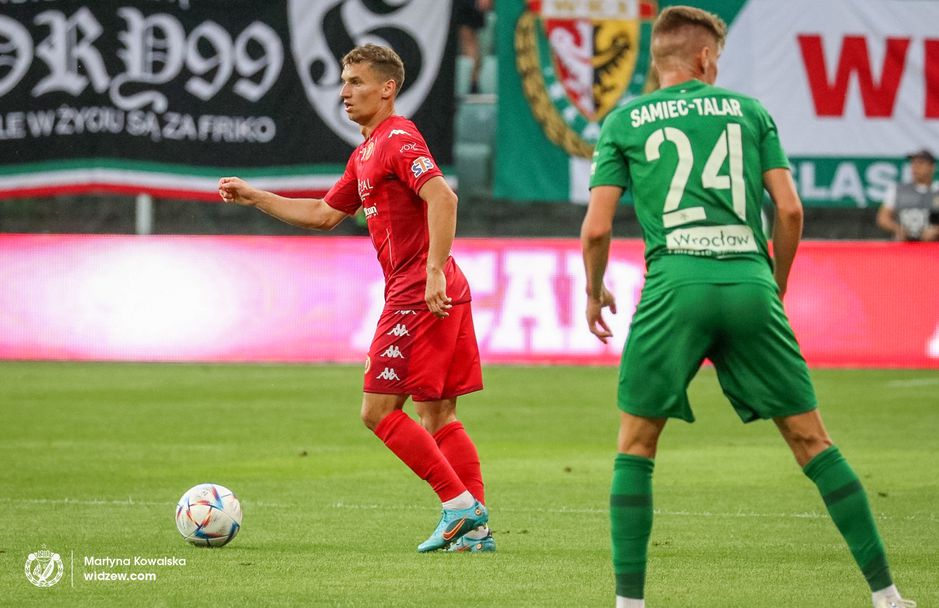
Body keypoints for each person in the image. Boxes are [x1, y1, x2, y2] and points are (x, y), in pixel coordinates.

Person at [581, 6, 914, 608]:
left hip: (674, 283)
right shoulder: (750, 112)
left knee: (636, 445)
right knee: (812, 441)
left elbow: (597, 228)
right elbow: (789, 211)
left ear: (657, 57)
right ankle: (887, 595)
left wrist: (593, 289)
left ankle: (629, 603)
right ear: (706, 57)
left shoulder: (624, 120)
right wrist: (773, 287)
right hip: (749, 281)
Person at [218, 44, 493, 553]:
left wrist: (432, 270)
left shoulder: (397, 139)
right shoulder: (366, 153)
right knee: (438, 415)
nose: (344, 91)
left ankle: (459, 509)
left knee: (378, 411)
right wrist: (256, 196)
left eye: (356, 82)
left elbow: (443, 196)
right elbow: (324, 214)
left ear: (387, 88)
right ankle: (475, 530)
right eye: (344, 81)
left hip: (418, 290)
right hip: (438, 288)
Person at [876, 149, 939, 241]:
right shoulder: (897, 189)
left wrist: (936, 231)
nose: (915, 167)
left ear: (932, 167)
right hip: (904, 245)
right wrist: (897, 229)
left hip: (933, 246)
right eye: (913, 163)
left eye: (921, 163)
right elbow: (883, 218)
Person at [455, 0, 493, 94]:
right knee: (469, 43)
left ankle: (471, 82)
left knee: (469, 42)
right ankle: (471, 82)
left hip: (467, 7)